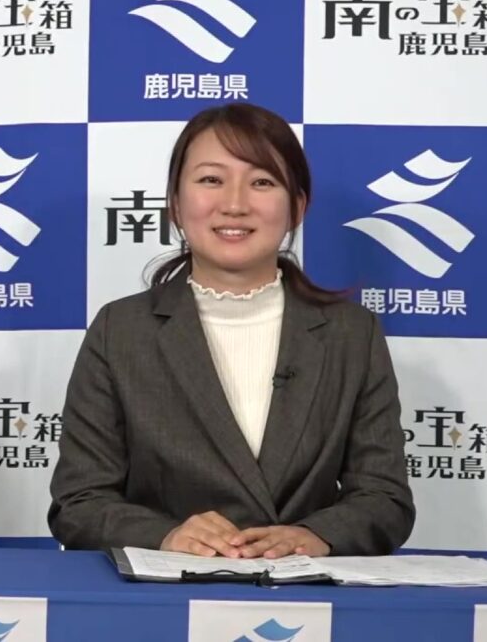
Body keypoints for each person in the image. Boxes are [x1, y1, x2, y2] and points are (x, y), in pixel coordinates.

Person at [48, 102, 414, 557]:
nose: (235, 204)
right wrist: (165, 536)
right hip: (164, 592)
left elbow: (385, 498)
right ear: (175, 204)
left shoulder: (351, 334)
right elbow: (78, 503)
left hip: (303, 590)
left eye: (262, 182)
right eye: (211, 180)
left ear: (297, 207)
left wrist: (316, 535)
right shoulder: (120, 331)